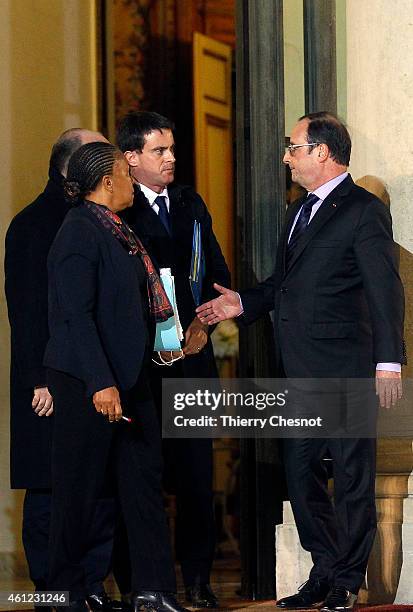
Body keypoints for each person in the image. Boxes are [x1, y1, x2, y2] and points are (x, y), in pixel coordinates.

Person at [196, 112, 405, 612]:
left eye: (293, 147)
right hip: (300, 370)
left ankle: (346, 581)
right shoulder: (296, 213)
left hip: (348, 369)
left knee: (352, 479)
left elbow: (385, 289)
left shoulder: (362, 210)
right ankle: (326, 569)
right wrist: (241, 304)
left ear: (323, 153)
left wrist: (389, 363)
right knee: (300, 471)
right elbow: (284, 287)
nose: (286, 156)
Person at [43, 141, 187, 612]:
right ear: (108, 182)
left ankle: (152, 590)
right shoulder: (79, 232)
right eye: (126, 175)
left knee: (142, 484)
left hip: (130, 377)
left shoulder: (116, 228)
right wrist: (101, 383)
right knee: (81, 490)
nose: (132, 183)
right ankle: (64, 592)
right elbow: (74, 317)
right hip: (90, 381)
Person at [4, 129, 123, 611]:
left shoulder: (96, 219)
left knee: (93, 487)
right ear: (73, 169)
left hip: (88, 377)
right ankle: (54, 592)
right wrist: (39, 380)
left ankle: (90, 587)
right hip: (49, 381)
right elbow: (28, 310)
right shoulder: (34, 224)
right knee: (50, 489)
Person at [116, 111, 231, 608]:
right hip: (143, 366)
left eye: (172, 149)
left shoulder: (190, 203)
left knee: (196, 476)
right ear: (131, 158)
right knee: (143, 479)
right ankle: (144, 584)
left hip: (193, 360)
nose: (171, 159)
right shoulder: (118, 210)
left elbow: (216, 274)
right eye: (159, 151)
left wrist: (205, 324)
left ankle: (200, 580)